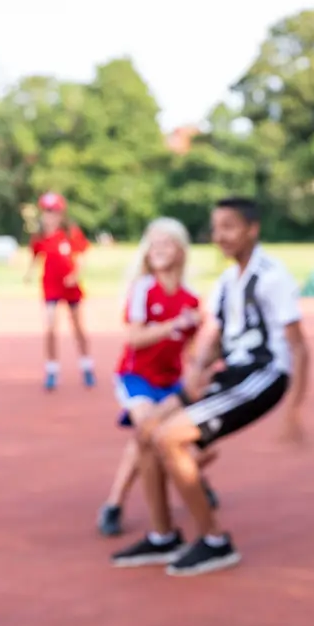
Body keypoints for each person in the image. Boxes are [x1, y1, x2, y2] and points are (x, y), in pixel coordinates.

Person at [146, 196, 310, 577]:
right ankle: (162, 535)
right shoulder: (226, 281)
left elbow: (299, 348)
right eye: (216, 227)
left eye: (229, 227)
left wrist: (294, 411)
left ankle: (215, 541)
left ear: (252, 229)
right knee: (146, 430)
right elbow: (215, 336)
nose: (220, 235)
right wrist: (198, 367)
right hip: (230, 372)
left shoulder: (272, 277)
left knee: (170, 437)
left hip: (264, 375)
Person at [96, 217, 220, 553]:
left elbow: (194, 351)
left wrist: (207, 353)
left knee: (196, 443)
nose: (159, 250)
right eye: (153, 244)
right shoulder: (143, 290)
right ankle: (114, 504)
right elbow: (134, 338)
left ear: (180, 250)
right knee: (147, 433)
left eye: (166, 243)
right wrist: (172, 325)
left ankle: (191, 474)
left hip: (170, 383)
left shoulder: (192, 299)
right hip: (137, 379)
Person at [24, 192, 95, 392]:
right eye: (47, 211)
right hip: (50, 286)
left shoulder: (70, 233)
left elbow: (81, 258)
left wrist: (75, 275)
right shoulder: (39, 236)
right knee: (50, 327)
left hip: (70, 288)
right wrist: (29, 274)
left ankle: (86, 365)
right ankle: (52, 369)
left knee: (78, 327)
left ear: (61, 213)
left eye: (54, 211)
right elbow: (35, 256)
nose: (50, 216)